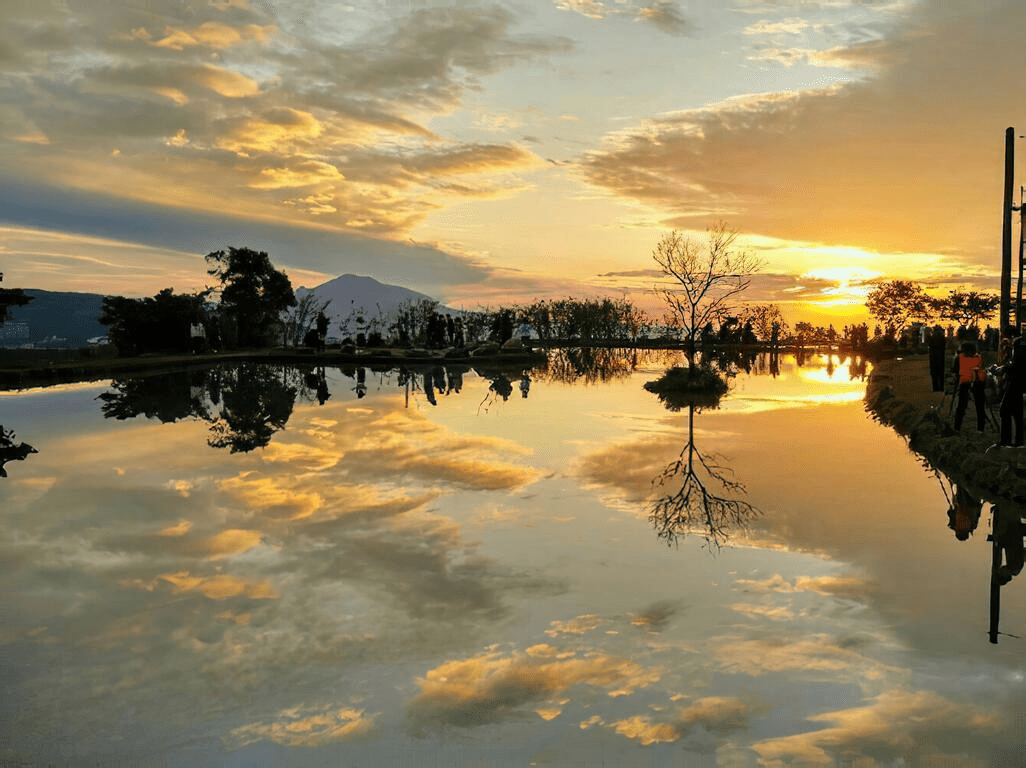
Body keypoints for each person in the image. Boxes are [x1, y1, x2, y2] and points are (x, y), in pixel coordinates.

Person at [994, 325, 1026, 448]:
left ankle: (1006, 440)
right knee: (1017, 413)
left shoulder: (1019, 347)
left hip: (1016, 383)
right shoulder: (1020, 345)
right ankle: (1018, 441)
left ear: (1011, 337)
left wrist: (1004, 369)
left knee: (1005, 410)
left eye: (1004, 337)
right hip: (1019, 384)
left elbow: (1018, 366)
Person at [952, 340, 986, 433]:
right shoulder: (979, 357)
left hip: (964, 382)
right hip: (978, 382)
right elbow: (982, 368)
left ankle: (957, 427)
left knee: (961, 405)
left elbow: (955, 371)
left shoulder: (959, 358)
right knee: (980, 406)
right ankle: (981, 428)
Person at [927, 325, 947, 392]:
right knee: (941, 373)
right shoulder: (942, 337)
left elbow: (930, 346)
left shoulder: (932, 337)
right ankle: (941, 387)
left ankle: (935, 388)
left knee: (934, 373)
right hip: (941, 356)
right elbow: (944, 346)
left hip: (933, 357)